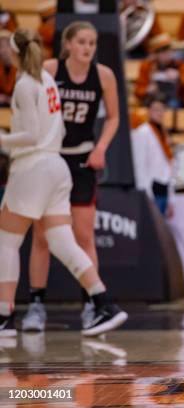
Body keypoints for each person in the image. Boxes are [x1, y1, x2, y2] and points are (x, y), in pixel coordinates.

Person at [0, 28, 127, 337]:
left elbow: (29, 135)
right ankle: (102, 302)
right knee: (61, 242)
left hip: (34, 166)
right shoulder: (47, 80)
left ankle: (4, 317)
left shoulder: (27, 83)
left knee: (6, 241)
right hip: (59, 166)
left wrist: (2, 139)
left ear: (12, 52)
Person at [131, 94, 176, 218]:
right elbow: (139, 165)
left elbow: (169, 164)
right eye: (156, 109)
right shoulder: (142, 132)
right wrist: (146, 195)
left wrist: (171, 197)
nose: (160, 113)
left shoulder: (164, 134)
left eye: (162, 110)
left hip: (163, 188)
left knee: (161, 231)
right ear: (149, 111)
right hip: (151, 189)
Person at [134, 33, 184, 108]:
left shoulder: (180, 64)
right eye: (163, 51)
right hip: (153, 101)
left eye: (169, 50)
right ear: (155, 54)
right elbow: (137, 92)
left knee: (173, 104)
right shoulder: (147, 66)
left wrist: (178, 76)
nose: (167, 54)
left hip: (173, 101)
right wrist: (148, 90)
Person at [0, 30, 16, 107]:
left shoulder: (20, 69)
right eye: (1, 46)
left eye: (7, 45)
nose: (3, 50)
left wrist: (7, 99)